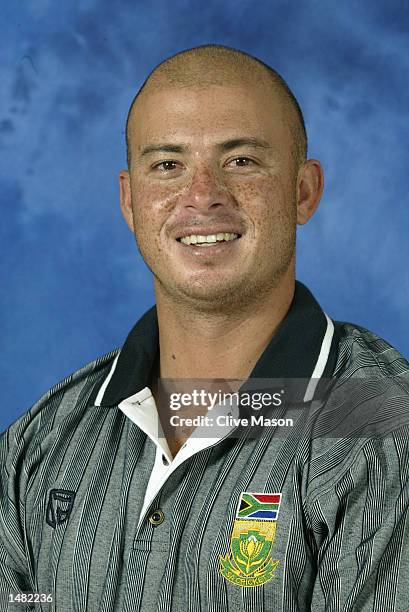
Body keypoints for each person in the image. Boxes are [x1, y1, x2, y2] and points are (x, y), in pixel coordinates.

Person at [0, 44, 408, 612]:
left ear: (303, 191)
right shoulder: (43, 443)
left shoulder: (383, 428)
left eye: (241, 160)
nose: (201, 196)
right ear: (130, 202)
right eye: (168, 165)